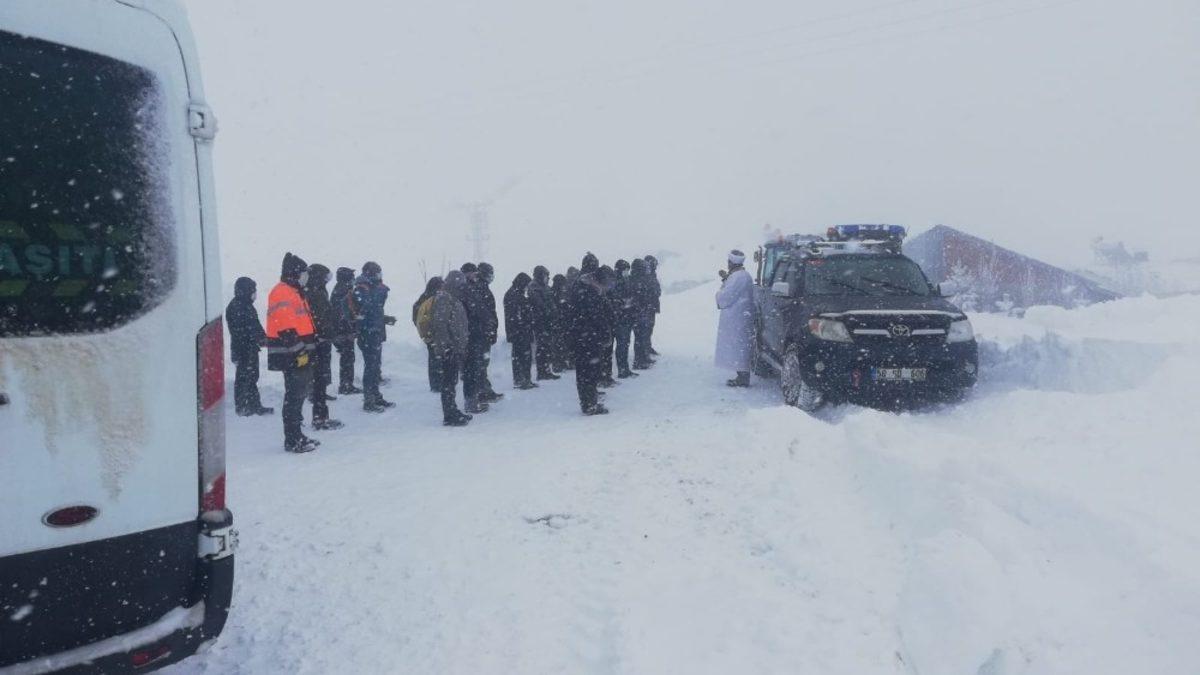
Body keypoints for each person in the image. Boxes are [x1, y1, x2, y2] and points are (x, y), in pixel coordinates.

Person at [266, 252, 319, 453]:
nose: (306, 276)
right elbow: (285, 328)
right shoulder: (282, 292)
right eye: (304, 273)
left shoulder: (294, 291)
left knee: (298, 396)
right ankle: (293, 439)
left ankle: (297, 434)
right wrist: (299, 351)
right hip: (291, 354)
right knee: (294, 397)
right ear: (294, 273)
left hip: (297, 353)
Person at [567, 255, 610, 415]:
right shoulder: (587, 287)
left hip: (580, 335)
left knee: (584, 370)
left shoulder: (579, 285)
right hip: (588, 335)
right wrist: (604, 331)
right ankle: (589, 403)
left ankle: (588, 400)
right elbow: (595, 314)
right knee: (589, 370)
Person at [225, 276, 273, 416]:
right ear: (246, 291)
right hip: (242, 349)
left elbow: (255, 326)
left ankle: (254, 405)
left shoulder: (246, 305)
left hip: (249, 348)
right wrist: (261, 339)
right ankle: (242, 407)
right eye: (253, 290)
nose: (255, 294)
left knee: (252, 377)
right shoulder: (237, 307)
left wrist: (263, 338)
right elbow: (246, 330)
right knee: (244, 378)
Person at [429, 271, 472, 426]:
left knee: (452, 381)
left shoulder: (453, 298)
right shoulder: (444, 299)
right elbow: (440, 325)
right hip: (449, 349)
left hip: (455, 347)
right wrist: (446, 347)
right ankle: (449, 415)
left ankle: (453, 410)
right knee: (448, 382)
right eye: (460, 285)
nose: (463, 288)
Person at [304, 263, 344, 430]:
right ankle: (320, 418)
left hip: (315, 341)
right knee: (319, 378)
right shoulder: (316, 294)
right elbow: (322, 319)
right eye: (326, 277)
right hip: (319, 342)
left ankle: (320, 414)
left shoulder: (310, 291)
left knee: (318, 378)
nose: (328, 280)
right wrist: (331, 334)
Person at [354, 261, 396, 412]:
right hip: (367, 334)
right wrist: (380, 289)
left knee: (375, 367)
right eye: (377, 273)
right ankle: (369, 401)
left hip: (374, 332)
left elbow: (374, 311)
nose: (380, 276)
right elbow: (368, 309)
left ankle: (376, 396)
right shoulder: (362, 288)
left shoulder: (371, 288)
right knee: (370, 368)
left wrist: (384, 319)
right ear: (370, 273)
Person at [460, 263, 501, 413]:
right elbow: (481, 312)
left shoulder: (477, 288)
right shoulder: (473, 288)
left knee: (480, 365)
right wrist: (489, 327)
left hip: (480, 332)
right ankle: (479, 395)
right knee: (477, 366)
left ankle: (483, 391)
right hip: (477, 333)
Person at [715, 249, 756, 387]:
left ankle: (743, 378)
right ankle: (742, 376)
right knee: (740, 346)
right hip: (741, 316)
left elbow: (726, 296)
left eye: (729, 262)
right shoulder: (743, 275)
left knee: (738, 347)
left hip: (736, 317)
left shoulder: (737, 277)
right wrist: (726, 278)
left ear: (732, 263)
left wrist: (718, 295)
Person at [330, 267, 361, 395]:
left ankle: (347, 384)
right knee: (347, 358)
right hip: (343, 331)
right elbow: (344, 314)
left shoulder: (341, 289)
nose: (354, 279)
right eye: (352, 276)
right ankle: (346, 385)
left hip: (341, 330)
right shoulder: (343, 291)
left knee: (347, 357)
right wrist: (351, 329)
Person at [504, 272, 537, 390]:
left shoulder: (516, 293)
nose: (527, 287)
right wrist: (524, 325)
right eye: (526, 284)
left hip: (521, 330)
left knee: (524, 356)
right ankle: (521, 379)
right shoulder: (513, 295)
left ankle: (525, 379)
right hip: (519, 331)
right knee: (521, 355)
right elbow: (515, 315)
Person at [526, 265, 560, 381]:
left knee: (547, 347)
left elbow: (550, 301)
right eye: (546, 275)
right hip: (540, 321)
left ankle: (546, 370)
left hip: (547, 321)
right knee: (542, 347)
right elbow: (539, 304)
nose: (548, 278)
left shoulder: (544, 287)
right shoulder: (534, 287)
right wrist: (549, 312)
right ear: (540, 275)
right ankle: (542, 372)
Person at [412, 277, 444, 392]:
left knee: (434, 359)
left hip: (429, 334)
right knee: (436, 359)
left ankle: (436, 383)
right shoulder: (432, 299)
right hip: (434, 334)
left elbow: (416, 316)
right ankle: (437, 384)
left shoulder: (424, 297)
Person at [610, 261, 638, 379]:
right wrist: (625, 303)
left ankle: (624, 368)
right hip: (620, 318)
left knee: (624, 344)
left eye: (628, 270)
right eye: (625, 270)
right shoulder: (616, 282)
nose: (627, 272)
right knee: (622, 345)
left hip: (625, 317)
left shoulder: (625, 281)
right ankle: (622, 370)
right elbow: (615, 300)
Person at [630, 257, 656, 370]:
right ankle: (639, 361)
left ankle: (643, 359)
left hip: (642, 311)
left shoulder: (638, 279)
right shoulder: (637, 280)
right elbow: (638, 296)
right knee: (640, 338)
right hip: (639, 312)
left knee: (642, 337)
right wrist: (641, 307)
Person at [597, 264, 619, 388]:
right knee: (603, 354)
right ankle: (602, 378)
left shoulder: (604, 292)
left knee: (607, 353)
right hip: (601, 328)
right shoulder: (597, 292)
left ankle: (606, 376)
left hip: (607, 326)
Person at [550, 273, 571, 371]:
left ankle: (560, 363)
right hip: (557, 321)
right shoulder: (554, 293)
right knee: (558, 343)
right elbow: (555, 307)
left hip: (560, 321)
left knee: (560, 343)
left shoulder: (556, 292)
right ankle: (558, 364)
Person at [644, 254, 662, 356]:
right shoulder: (646, 275)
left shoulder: (652, 274)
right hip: (647, 306)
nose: (655, 265)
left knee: (649, 328)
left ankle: (647, 346)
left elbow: (657, 289)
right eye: (654, 263)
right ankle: (645, 348)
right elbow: (652, 290)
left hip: (651, 306)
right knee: (646, 329)